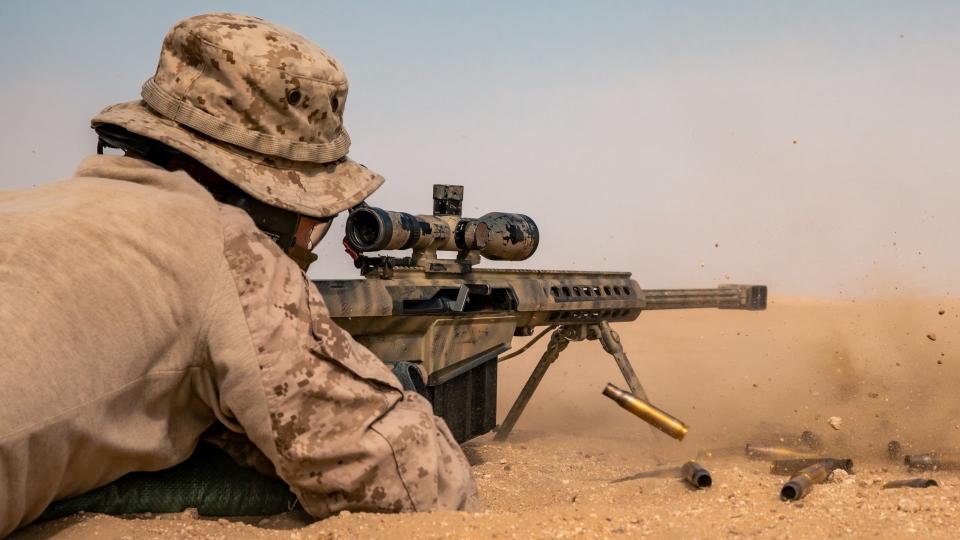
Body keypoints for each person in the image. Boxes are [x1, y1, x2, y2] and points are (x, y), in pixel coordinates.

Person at [0, 12, 477, 535]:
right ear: (266, 201)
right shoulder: (225, 243)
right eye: (314, 219)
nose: (306, 242)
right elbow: (416, 484)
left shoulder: (20, 207)